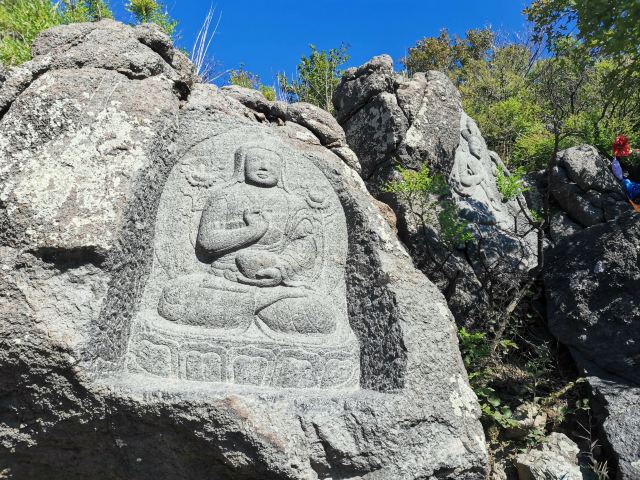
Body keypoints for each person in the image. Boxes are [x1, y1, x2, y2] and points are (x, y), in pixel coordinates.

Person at [157, 145, 337, 335]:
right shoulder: (224, 196)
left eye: (271, 164)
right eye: (256, 161)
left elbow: (304, 247)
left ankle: (242, 313)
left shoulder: (294, 205)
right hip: (223, 281)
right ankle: (250, 312)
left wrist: (280, 269)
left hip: (276, 288)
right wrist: (252, 231)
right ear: (241, 165)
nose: (264, 167)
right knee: (175, 296)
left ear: (282, 170)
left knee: (320, 314)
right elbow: (207, 242)